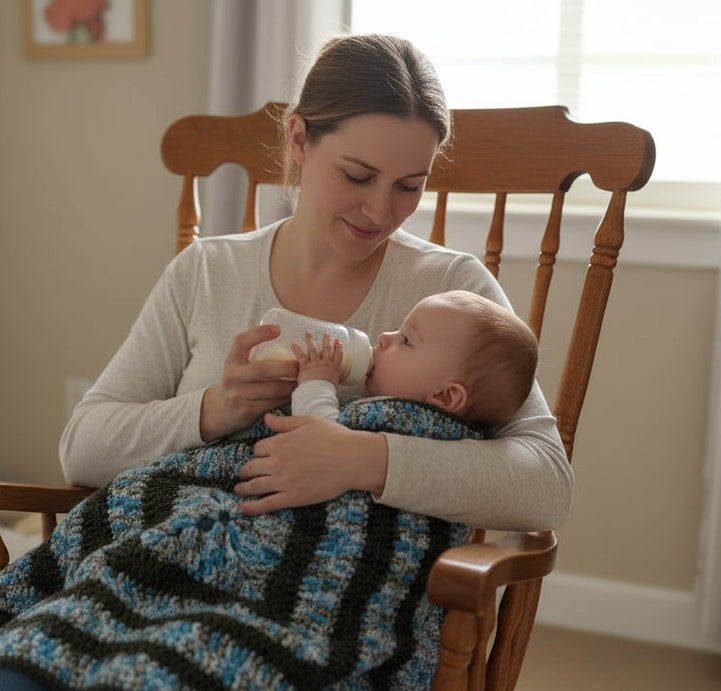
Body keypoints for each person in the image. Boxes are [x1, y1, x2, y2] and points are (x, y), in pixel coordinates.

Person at [60, 32, 571, 528]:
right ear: (300, 139)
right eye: (357, 176)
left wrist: (361, 459)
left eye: (409, 186)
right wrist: (216, 409)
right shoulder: (207, 272)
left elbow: (547, 483)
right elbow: (82, 447)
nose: (379, 210)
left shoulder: (451, 290)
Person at [287, 289, 539, 429]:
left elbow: (319, 444)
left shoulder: (408, 425)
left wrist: (316, 383)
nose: (385, 337)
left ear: (445, 396)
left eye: (406, 340)